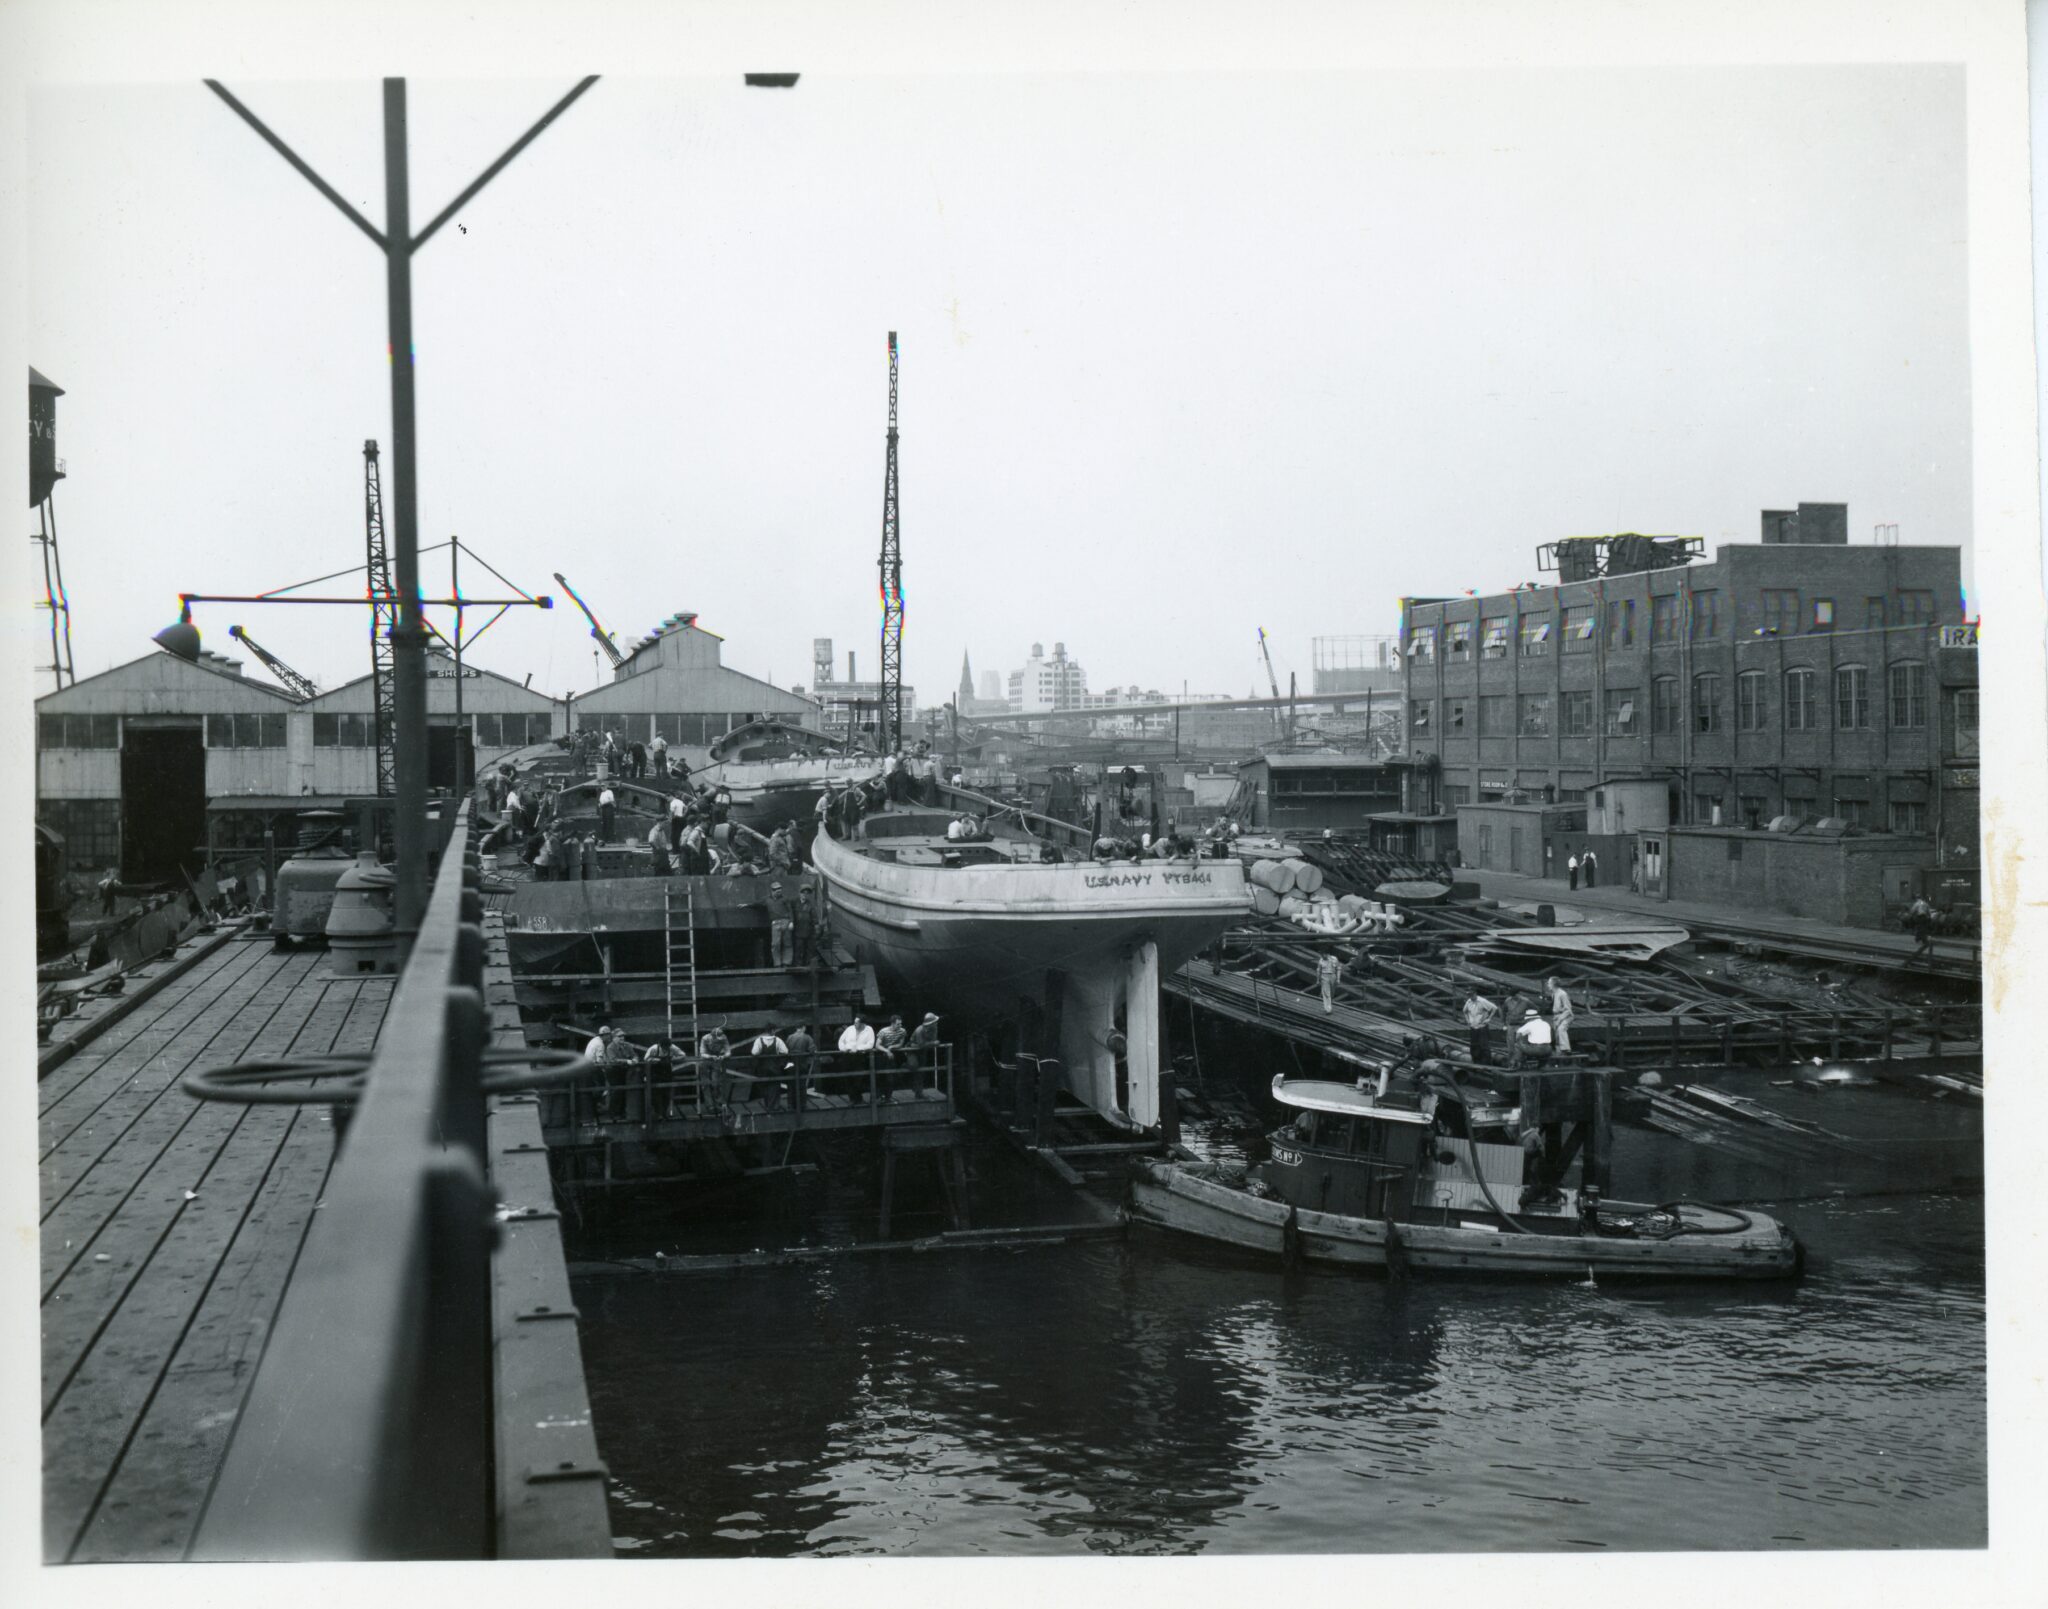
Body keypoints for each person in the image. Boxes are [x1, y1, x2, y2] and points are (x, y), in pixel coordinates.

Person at [747, 1026, 791, 1109]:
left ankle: (768, 1105)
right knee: (775, 1086)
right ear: (773, 1030)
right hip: (775, 1067)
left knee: (765, 1086)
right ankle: (774, 1106)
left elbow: (754, 1052)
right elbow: (785, 1051)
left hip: (763, 1068)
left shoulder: (759, 1040)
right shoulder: (778, 1040)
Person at [696, 1019, 732, 1113]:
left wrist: (723, 1056)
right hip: (705, 1061)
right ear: (712, 1035)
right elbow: (702, 1053)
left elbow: (728, 1051)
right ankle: (710, 1106)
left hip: (717, 1060)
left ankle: (719, 1104)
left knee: (716, 1083)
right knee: (705, 1084)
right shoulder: (705, 1038)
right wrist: (711, 1056)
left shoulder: (723, 1037)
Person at [875, 1012, 910, 1095]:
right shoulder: (883, 1031)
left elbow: (901, 1044)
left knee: (891, 1076)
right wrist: (887, 1051)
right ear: (892, 1023)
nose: (900, 1025)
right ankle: (878, 1096)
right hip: (882, 1054)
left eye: (901, 1023)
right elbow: (877, 1045)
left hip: (893, 1054)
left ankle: (888, 1096)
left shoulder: (902, 1031)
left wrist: (891, 1047)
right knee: (880, 1076)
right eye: (898, 1024)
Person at [1462, 991, 1500, 1064]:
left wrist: (1489, 1018)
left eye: (1472, 995)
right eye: (1469, 995)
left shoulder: (1482, 1001)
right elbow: (1464, 1011)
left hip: (1482, 1027)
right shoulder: (1469, 1001)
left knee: (1484, 1045)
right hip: (1473, 1027)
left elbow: (1494, 1008)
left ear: (1475, 994)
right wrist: (1467, 1020)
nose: (1471, 997)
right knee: (1474, 1045)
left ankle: (1486, 1063)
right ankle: (1476, 1062)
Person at [785, 1022, 817, 1108]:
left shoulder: (790, 1037)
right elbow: (812, 1050)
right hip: (802, 1063)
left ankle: (790, 1104)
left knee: (791, 1084)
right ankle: (802, 1104)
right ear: (803, 1027)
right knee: (802, 1084)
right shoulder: (807, 1037)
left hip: (791, 1063)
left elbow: (785, 1050)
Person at [908, 1011, 942, 1089]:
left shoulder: (934, 1029)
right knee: (914, 1065)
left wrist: (931, 1043)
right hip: (912, 1050)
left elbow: (933, 1040)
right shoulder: (919, 1030)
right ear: (930, 1023)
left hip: (922, 1051)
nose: (936, 1023)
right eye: (935, 1022)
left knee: (921, 1070)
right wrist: (933, 1043)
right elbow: (921, 1044)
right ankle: (905, 1065)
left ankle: (919, 1092)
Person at [765, 879, 795, 967]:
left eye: (780, 889)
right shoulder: (767, 900)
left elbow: (790, 911)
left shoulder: (785, 899)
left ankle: (786, 962)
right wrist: (746, 905)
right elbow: (757, 903)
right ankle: (777, 964)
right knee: (775, 944)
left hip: (785, 922)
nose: (778, 891)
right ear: (772, 891)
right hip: (775, 923)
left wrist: (791, 922)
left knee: (787, 943)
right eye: (776, 889)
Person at [1544, 975, 1575, 1054]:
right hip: (1557, 1015)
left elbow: (1568, 1009)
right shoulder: (1554, 994)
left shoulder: (1562, 994)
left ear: (1553, 984)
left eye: (1549, 983)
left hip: (1566, 1015)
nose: (1548, 985)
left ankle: (1566, 1049)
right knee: (1556, 1034)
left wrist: (1560, 1019)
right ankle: (1559, 1051)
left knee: (1561, 1029)